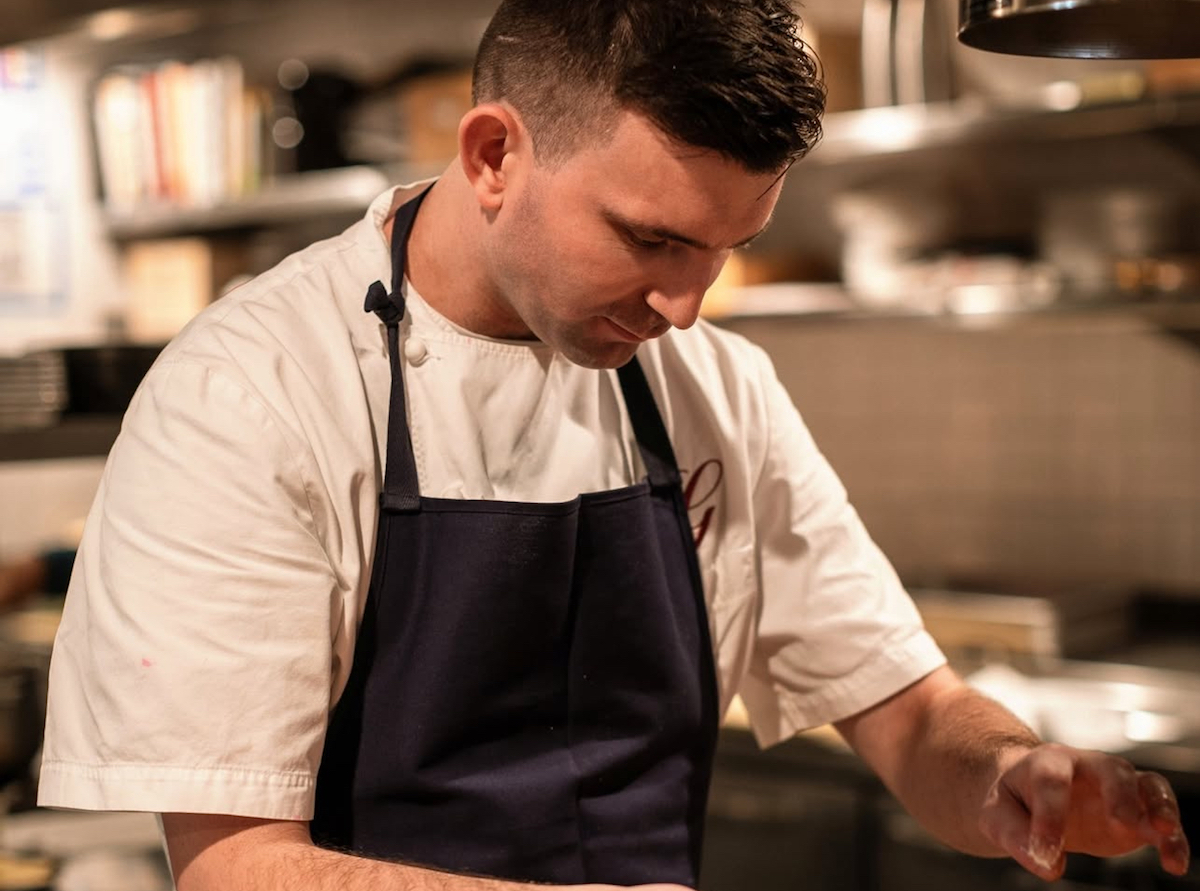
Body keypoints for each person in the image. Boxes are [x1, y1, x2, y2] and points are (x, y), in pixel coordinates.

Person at [40, 1, 1189, 889]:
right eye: (651, 239)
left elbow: (908, 710)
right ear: (493, 154)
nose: (687, 304)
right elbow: (238, 866)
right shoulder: (253, 394)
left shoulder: (710, 388)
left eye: (726, 250)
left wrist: (1006, 776)